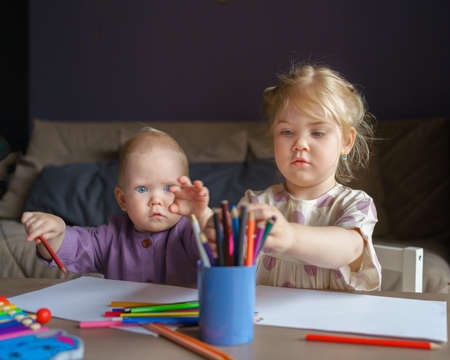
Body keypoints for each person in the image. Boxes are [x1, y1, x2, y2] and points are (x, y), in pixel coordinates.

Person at [208, 63, 382, 291]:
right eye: (287, 132)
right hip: (268, 322)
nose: (300, 143)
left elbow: (349, 249)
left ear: (346, 142)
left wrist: (290, 237)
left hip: (332, 324)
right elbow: (230, 264)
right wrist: (211, 227)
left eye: (318, 132)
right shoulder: (257, 204)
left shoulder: (355, 204)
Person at [21, 128, 212, 284]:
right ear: (122, 200)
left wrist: (202, 216)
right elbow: (73, 250)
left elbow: (215, 250)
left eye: (168, 188)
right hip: (122, 324)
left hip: (182, 323)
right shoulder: (111, 236)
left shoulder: (188, 232)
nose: (156, 200)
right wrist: (55, 233)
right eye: (142, 189)